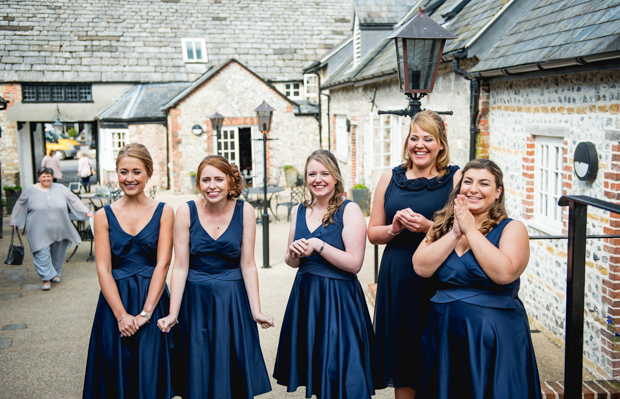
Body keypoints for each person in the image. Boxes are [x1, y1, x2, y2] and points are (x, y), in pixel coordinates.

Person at [412, 159, 541, 399]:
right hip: (445, 332)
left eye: (484, 183)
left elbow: (504, 273)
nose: (473, 189)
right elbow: (421, 267)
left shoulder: (512, 229)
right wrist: (454, 232)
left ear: (497, 192)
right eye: (467, 182)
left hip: (494, 336)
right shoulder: (442, 226)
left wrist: (471, 231)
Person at [157, 155, 273, 398]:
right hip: (195, 303)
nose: (212, 185)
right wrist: (173, 314)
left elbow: (248, 264)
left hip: (233, 301)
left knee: (231, 370)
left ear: (231, 181)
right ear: (198, 183)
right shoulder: (186, 211)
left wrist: (256, 310)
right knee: (197, 369)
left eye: (219, 179)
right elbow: (179, 266)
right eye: (206, 180)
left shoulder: (246, 211)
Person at [368, 110, 461, 398]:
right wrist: (394, 228)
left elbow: (466, 230)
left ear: (441, 144)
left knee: (436, 352)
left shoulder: (455, 178)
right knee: (404, 355)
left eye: (428, 139)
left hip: (438, 275)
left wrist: (428, 228)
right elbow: (372, 233)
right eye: (414, 137)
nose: (419, 145)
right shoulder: (389, 177)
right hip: (398, 276)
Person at [273, 149, 374, 399]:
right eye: (312, 174)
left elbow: (355, 263)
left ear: (336, 177)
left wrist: (319, 246)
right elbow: (290, 261)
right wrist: (294, 254)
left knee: (343, 373)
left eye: (324, 173)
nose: (318, 179)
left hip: (339, 301)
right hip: (307, 297)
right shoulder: (300, 210)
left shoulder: (349, 210)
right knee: (316, 369)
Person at [83, 143, 175, 398]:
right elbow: (103, 268)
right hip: (116, 301)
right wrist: (122, 315)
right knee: (116, 374)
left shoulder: (165, 212)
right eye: (124, 172)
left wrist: (146, 313)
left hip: (153, 299)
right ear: (116, 174)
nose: (130, 178)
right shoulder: (103, 215)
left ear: (148, 173)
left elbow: (163, 264)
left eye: (136, 171)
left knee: (153, 374)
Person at [9, 167, 94, 291]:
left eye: (48, 176)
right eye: (43, 176)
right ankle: (45, 278)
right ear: (39, 177)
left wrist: (86, 211)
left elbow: (73, 199)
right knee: (40, 252)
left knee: (58, 252)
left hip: (59, 227)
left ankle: (56, 272)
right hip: (38, 228)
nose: (46, 178)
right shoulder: (30, 190)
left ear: (52, 177)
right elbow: (20, 204)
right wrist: (14, 220)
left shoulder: (60, 188)